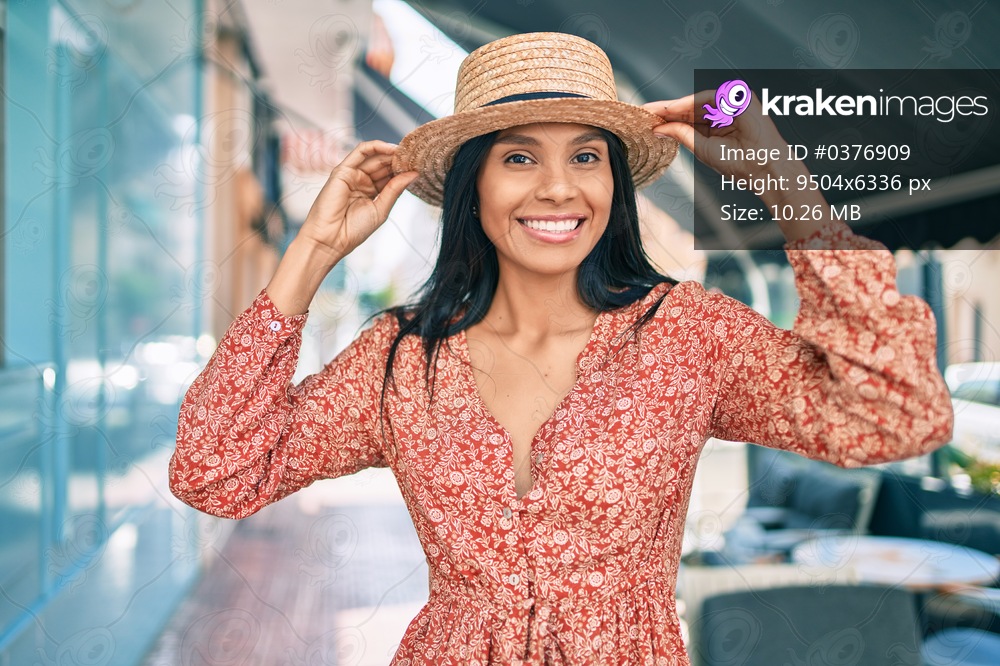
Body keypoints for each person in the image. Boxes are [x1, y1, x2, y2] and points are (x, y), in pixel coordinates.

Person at [170, 32, 953, 665]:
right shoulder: (402, 361)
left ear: (614, 184)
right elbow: (214, 471)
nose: (557, 187)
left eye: (586, 156)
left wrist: (785, 185)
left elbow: (900, 414)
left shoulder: (687, 337)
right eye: (519, 157)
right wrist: (310, 253)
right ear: (474, 187)